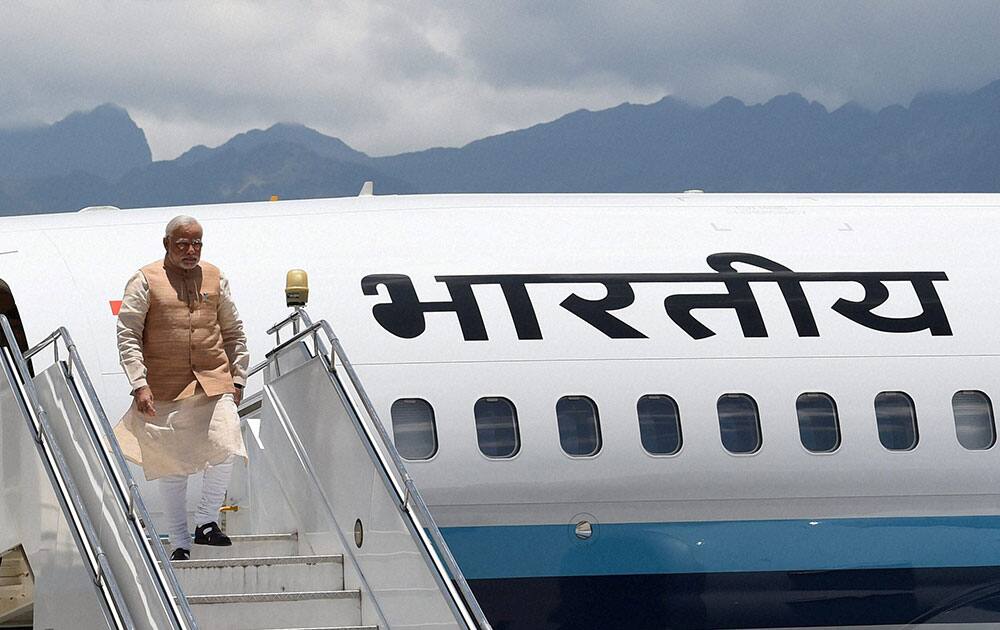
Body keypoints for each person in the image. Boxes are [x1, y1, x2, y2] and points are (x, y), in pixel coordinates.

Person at [114, 215, 249, 561]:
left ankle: (206, 520)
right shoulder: (145, 280)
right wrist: (139, 384)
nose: (191, 250)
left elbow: (233, 331)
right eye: (183, 244)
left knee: (227, 443)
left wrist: (238, 377)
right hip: (164, 386)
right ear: (167, 244)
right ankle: (179, 542)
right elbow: (128, 333)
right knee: (172, 466)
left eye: (197, 244)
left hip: (213, 380)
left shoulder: (216, 277)